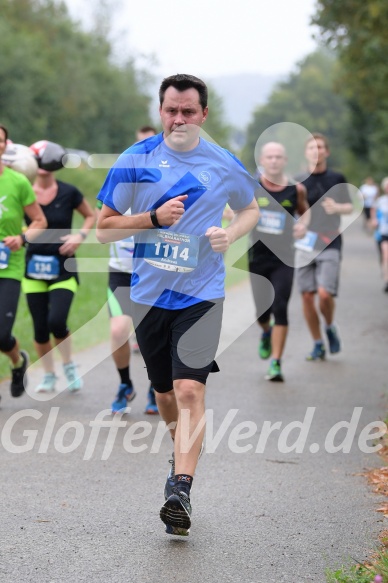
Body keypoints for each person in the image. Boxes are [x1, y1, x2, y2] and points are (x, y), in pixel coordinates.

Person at [96, 73, 259, 536]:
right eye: (172, 110)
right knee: (165, 394)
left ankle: (181, 487)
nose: (180, 118)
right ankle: (180, 450)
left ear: (203, 115)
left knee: (190, 391)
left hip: (202, 295)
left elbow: (250, 209)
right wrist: (150, 218)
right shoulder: (135, 160)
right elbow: (104, 228)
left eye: (189, 111)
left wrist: (232, 232)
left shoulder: (222, 162)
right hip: (148, 297)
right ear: (160, 111)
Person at [96, 125, 160, 415]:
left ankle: (154, 387)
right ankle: (125, 384)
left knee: (153, 336)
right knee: (120, 329)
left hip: (155, 271)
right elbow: (104, 226)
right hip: (121, 272)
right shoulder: (120, 181)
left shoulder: (163, 186)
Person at [22, 145, 95, 393]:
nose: (41, 163)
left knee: (57, 321)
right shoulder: (24, 191)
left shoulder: (69, 192)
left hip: (64, 266)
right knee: (40, 328)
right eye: (37, 159)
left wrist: (79, 237)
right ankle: (49, 374)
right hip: (33, 267)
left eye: (45, 159)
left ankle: (68, 365)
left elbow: (90, 215)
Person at [248, 142, 309, 382]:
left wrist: (303, 225)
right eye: (269, 157)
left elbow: (305, 213)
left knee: (280, 307)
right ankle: (266, 332)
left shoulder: (298, 189)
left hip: (284, 258)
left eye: (278, 157)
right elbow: (239, 212)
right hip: (257, 258)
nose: (274, 161)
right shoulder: (252, 188)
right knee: (261, 313)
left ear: (285, 161)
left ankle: (276, 363)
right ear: (262, 160)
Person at [295, 133, 353, 360]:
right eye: (311, 147)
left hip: (330, 241)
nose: (316, 151)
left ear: (326, 152)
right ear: (306, 152)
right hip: (304, 244)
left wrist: (337, 208)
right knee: (307, 296)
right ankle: (317, 343)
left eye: (320, 147)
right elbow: (288, 212)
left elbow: (350, 207)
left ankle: (329, 326)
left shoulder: (337, 178)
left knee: (324, 294)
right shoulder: (298, 182)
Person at [0, 124, 47, 398]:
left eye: (1, 140)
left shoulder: (17, 182)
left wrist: (22, 237)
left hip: (9, 265)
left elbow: (40, 221)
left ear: (6, 146)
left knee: (1, 333)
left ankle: (18, 361)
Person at [370, 177, 388, 293]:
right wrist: (374, 220)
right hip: (384, 232)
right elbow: (373, 210)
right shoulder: (381, 200)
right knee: (386, 255)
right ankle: (387, 280)